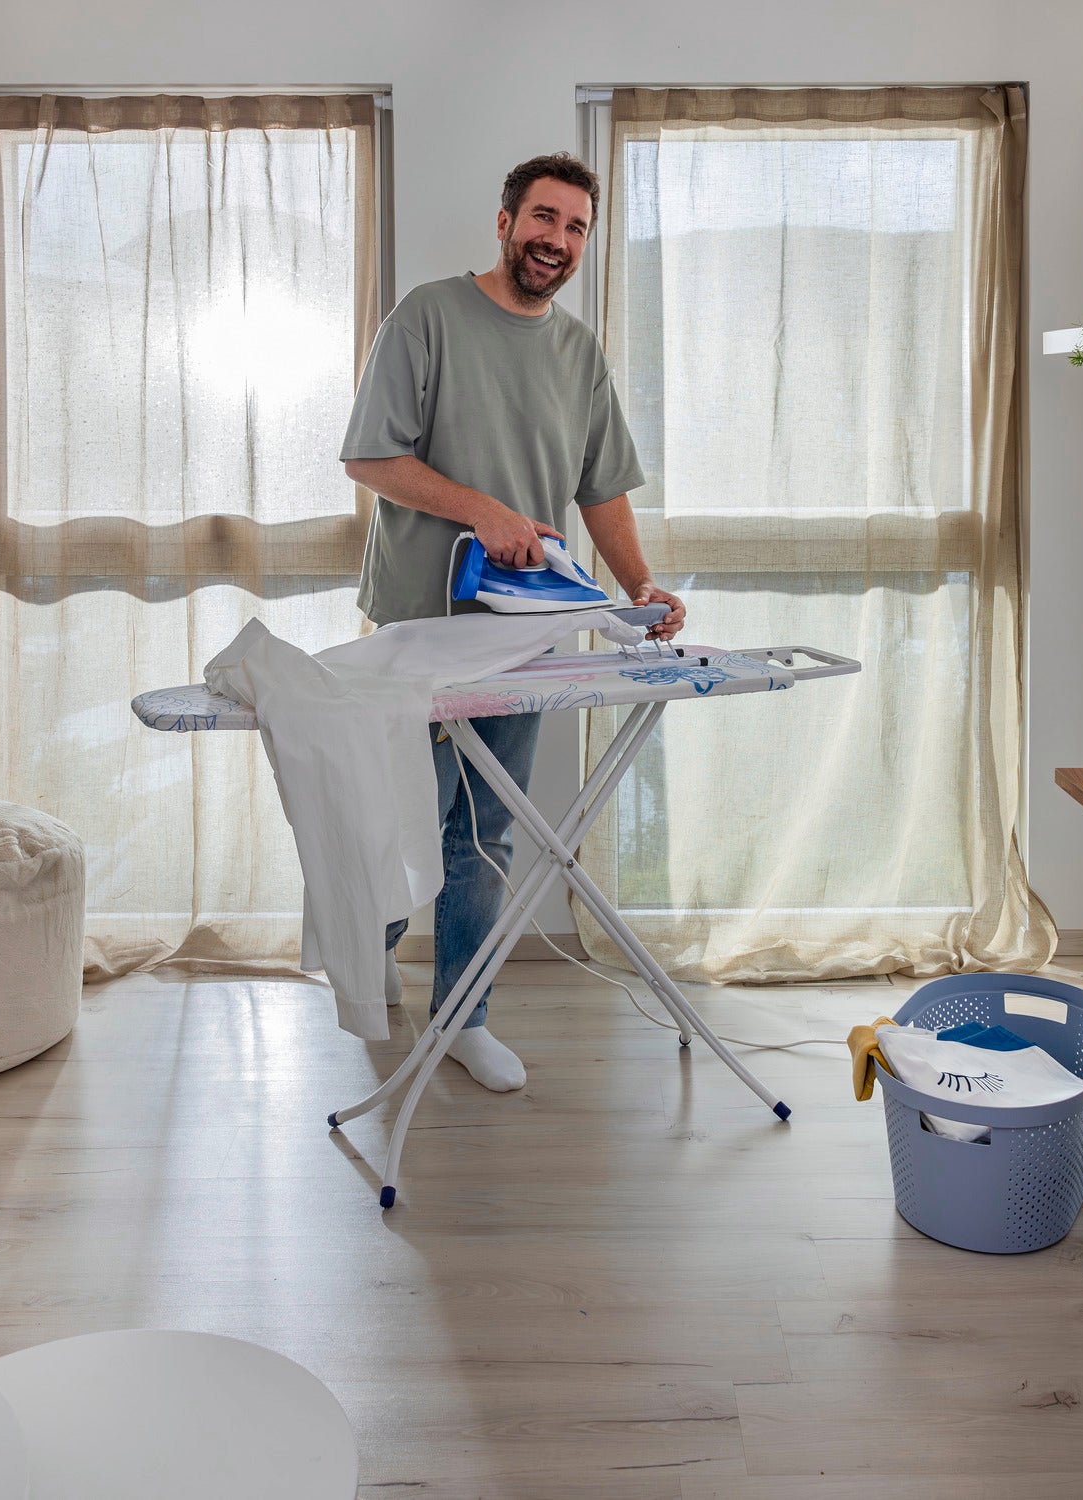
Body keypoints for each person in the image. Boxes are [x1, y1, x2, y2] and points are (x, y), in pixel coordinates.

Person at [339, 152, 685, 1093]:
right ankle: (367, 966)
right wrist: (479, 508)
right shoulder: (427, 318)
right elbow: (371, 457)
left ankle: (466, 1015)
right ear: (503, 221)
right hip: (419, 620)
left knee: (487, 830)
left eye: (575, 227)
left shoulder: (577, 355)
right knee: (407, 816)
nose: (557, 240)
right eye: (543, 218)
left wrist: (642, 589)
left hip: (520, 637)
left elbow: (601, 488)